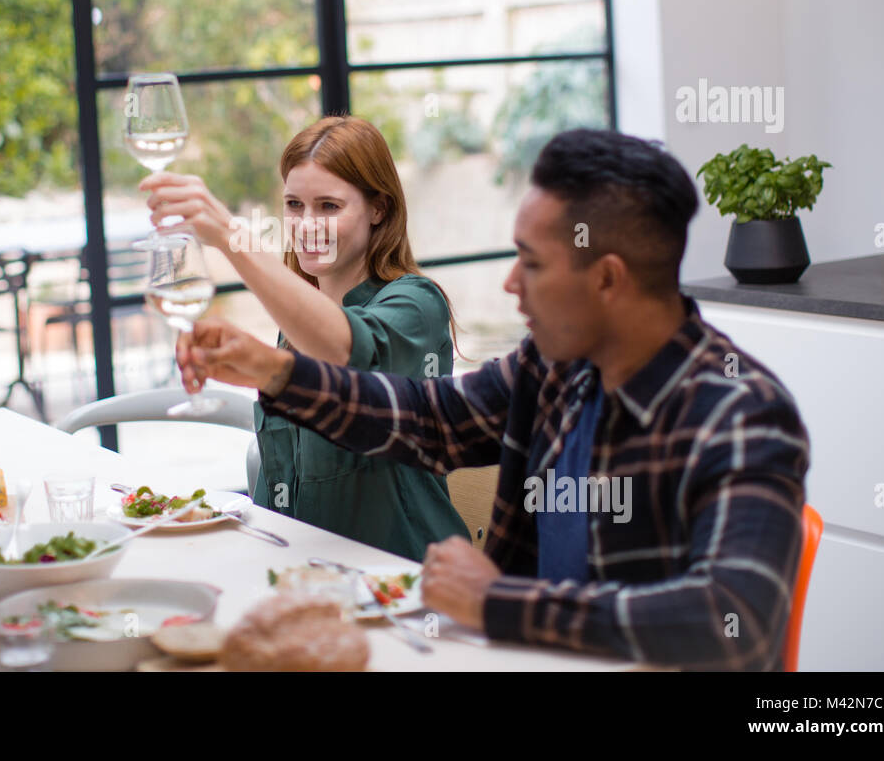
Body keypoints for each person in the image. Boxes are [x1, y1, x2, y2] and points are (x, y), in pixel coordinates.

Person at [172, 128, 810, 670]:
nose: (509, 283)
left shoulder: (739, 413)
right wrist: (275, 370)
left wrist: (497, 600)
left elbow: (731, 613)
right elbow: (431, 421)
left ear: (607, 278)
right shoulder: (553, 370)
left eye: (530, 263)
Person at [141, 116, 468, 561]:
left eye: (329, 207)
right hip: (305, 573)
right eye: (294, 205)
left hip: (403, 582)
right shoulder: (296, 327)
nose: (307, 225)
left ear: (380, 209)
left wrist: (230, 236)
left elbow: (349, 353)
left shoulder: (417, 306)